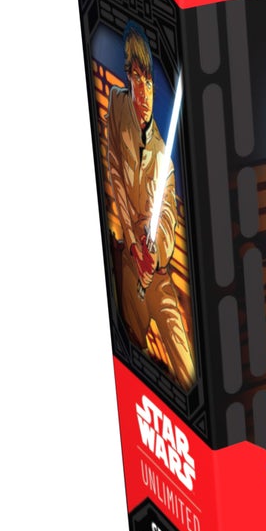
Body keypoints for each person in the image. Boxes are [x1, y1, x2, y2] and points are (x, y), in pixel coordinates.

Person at [105, 20, 196, 387]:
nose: (143, 92)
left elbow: (168, 222)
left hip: (156, 275)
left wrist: (151, 249)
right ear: (128, 77)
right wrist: (131, 240)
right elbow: (113, 169)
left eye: (148, 81)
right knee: (132, 349)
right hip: (128, 264)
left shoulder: (163, 161)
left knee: (186, 367)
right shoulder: (117, 105)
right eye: (136, 78)